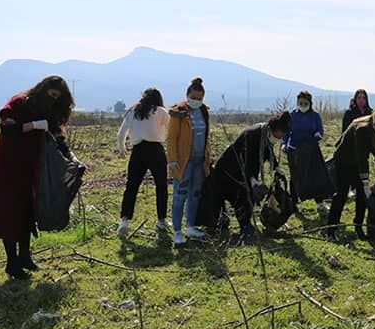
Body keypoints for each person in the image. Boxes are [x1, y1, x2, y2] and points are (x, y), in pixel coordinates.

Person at [0, 76, 81, 279]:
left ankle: (25, 258)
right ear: (43, 89)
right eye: (52, 95)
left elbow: (57, 135)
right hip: (8, 166)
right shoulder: (20, 103)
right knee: (10, 213)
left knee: (27, 212)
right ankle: (12, 264)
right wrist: (32, 126)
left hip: (31, 167)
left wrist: (72, 157)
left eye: (58, 98)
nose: (54, 100)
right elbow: (8, 127)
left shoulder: (48, 111)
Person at [203, 112, 291, 240]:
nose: (278, 139)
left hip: (245, 171)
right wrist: (253, 180)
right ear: (272, 129)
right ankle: (229, 224)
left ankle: (244, 225)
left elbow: (267, 150)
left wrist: (276, 166)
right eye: (278, 136)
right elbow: (246, 159)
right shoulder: (253, 134)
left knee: (247, 196)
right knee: (238, 196)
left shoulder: (265, 133)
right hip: (229, 169)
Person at [327, 104, 375, 241]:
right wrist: (365, 182)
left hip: (356, 162)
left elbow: (371, 146)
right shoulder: (363, 128)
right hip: (344, 162)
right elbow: (361, 157)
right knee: (341, 195)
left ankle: (358, 227)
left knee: (362, 198)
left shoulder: (371, 126)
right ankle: (331, 230)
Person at [116, 88, 170, 237]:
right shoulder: (161, 112)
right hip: (156, 150)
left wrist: (122, 150)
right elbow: (168, 131)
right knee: (161, 186)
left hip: (138, 150)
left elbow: (121, 134)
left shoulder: (133, 111)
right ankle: (161, 220)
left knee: (131, 186)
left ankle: (124, 221)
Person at [167, 77, 211, 245]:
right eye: (194, 98)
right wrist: (171, 159)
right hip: (183, 162)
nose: (196, 101)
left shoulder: (204, 112)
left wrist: (207, 158)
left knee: (195, 194)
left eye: (200, 99)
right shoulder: (179, 112)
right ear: (187, 95)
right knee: (180, 195)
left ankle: (190, 226)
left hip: (199, 161)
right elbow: (171, 138)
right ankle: (177, 231)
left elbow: (207, 136)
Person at [282, 90, 327, 214]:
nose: (302, 105)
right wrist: (284, 144)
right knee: (295, 177)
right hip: (294, 150)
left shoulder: (315, 116)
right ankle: (294, 203)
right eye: (300, 103)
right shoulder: (292, 116)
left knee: (315, 175)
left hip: (310, 149)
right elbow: (286, 132)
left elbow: (320, 129)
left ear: (310, 103)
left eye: (305, 103)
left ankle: (320, 202)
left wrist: (318, 134)